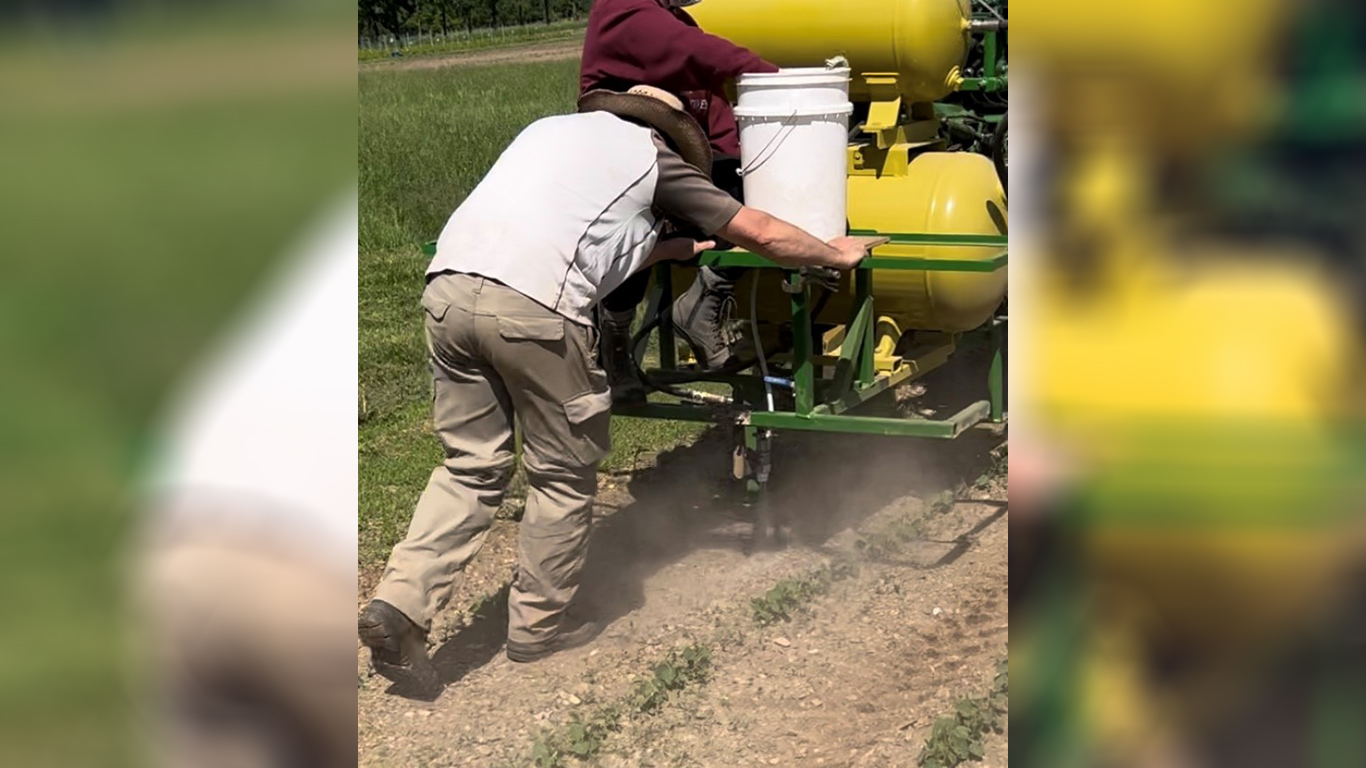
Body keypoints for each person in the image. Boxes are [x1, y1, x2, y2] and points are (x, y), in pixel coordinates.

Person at [357, 86, 870, 690]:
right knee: (563, 471)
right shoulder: (653, 159)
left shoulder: (545, 132)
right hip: (534, 311)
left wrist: (679, 247)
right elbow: (757, 228)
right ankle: (539, 626)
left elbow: (582, 233)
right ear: (668, 133)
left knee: (469, 467)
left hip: (447, 291)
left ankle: (400, 604)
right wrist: (831, 253)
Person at [581, 0, 782, 401]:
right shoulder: (622, 10)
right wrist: (777, 78)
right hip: (626, 159)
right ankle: (614, 339)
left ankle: (704, 300)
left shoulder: (676, 20)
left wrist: (743, 170)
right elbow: (701, 53)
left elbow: (714, 108)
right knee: (634, 221)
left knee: (757, 195)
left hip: (680, 164)